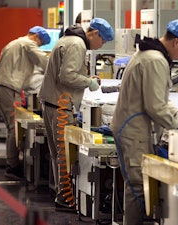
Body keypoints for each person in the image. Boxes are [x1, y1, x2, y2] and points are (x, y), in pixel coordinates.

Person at [111, 19, 178, 225]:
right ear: (176, 42)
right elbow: (155, 106)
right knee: (138, 187)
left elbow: (159, 100)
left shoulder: (147, 54)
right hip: (133, 131)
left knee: (137, 186)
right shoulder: (156, 60)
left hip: (131, 128)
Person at [38, 17, 114, 211]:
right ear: (95, 33)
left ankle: (62, 196)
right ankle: (65, 199)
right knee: (65, 155)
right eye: (102, 41)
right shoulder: (77, 44)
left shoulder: (69, 39)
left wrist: (87, 78)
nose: (100, 46)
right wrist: (88, 83)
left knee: (58, 154)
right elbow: (67, 75)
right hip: (61, 106)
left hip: (52, 103)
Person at [0, 26, 51, 180]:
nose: (39, 46)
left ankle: (12, 164)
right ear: (36, 37)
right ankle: (12, 167)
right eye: (40, 43)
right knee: (14, 127)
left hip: (4, 87)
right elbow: (44, 62)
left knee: (11, 128)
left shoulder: (13, 44)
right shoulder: (28, 43)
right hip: (9, 89)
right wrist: (58, 72)